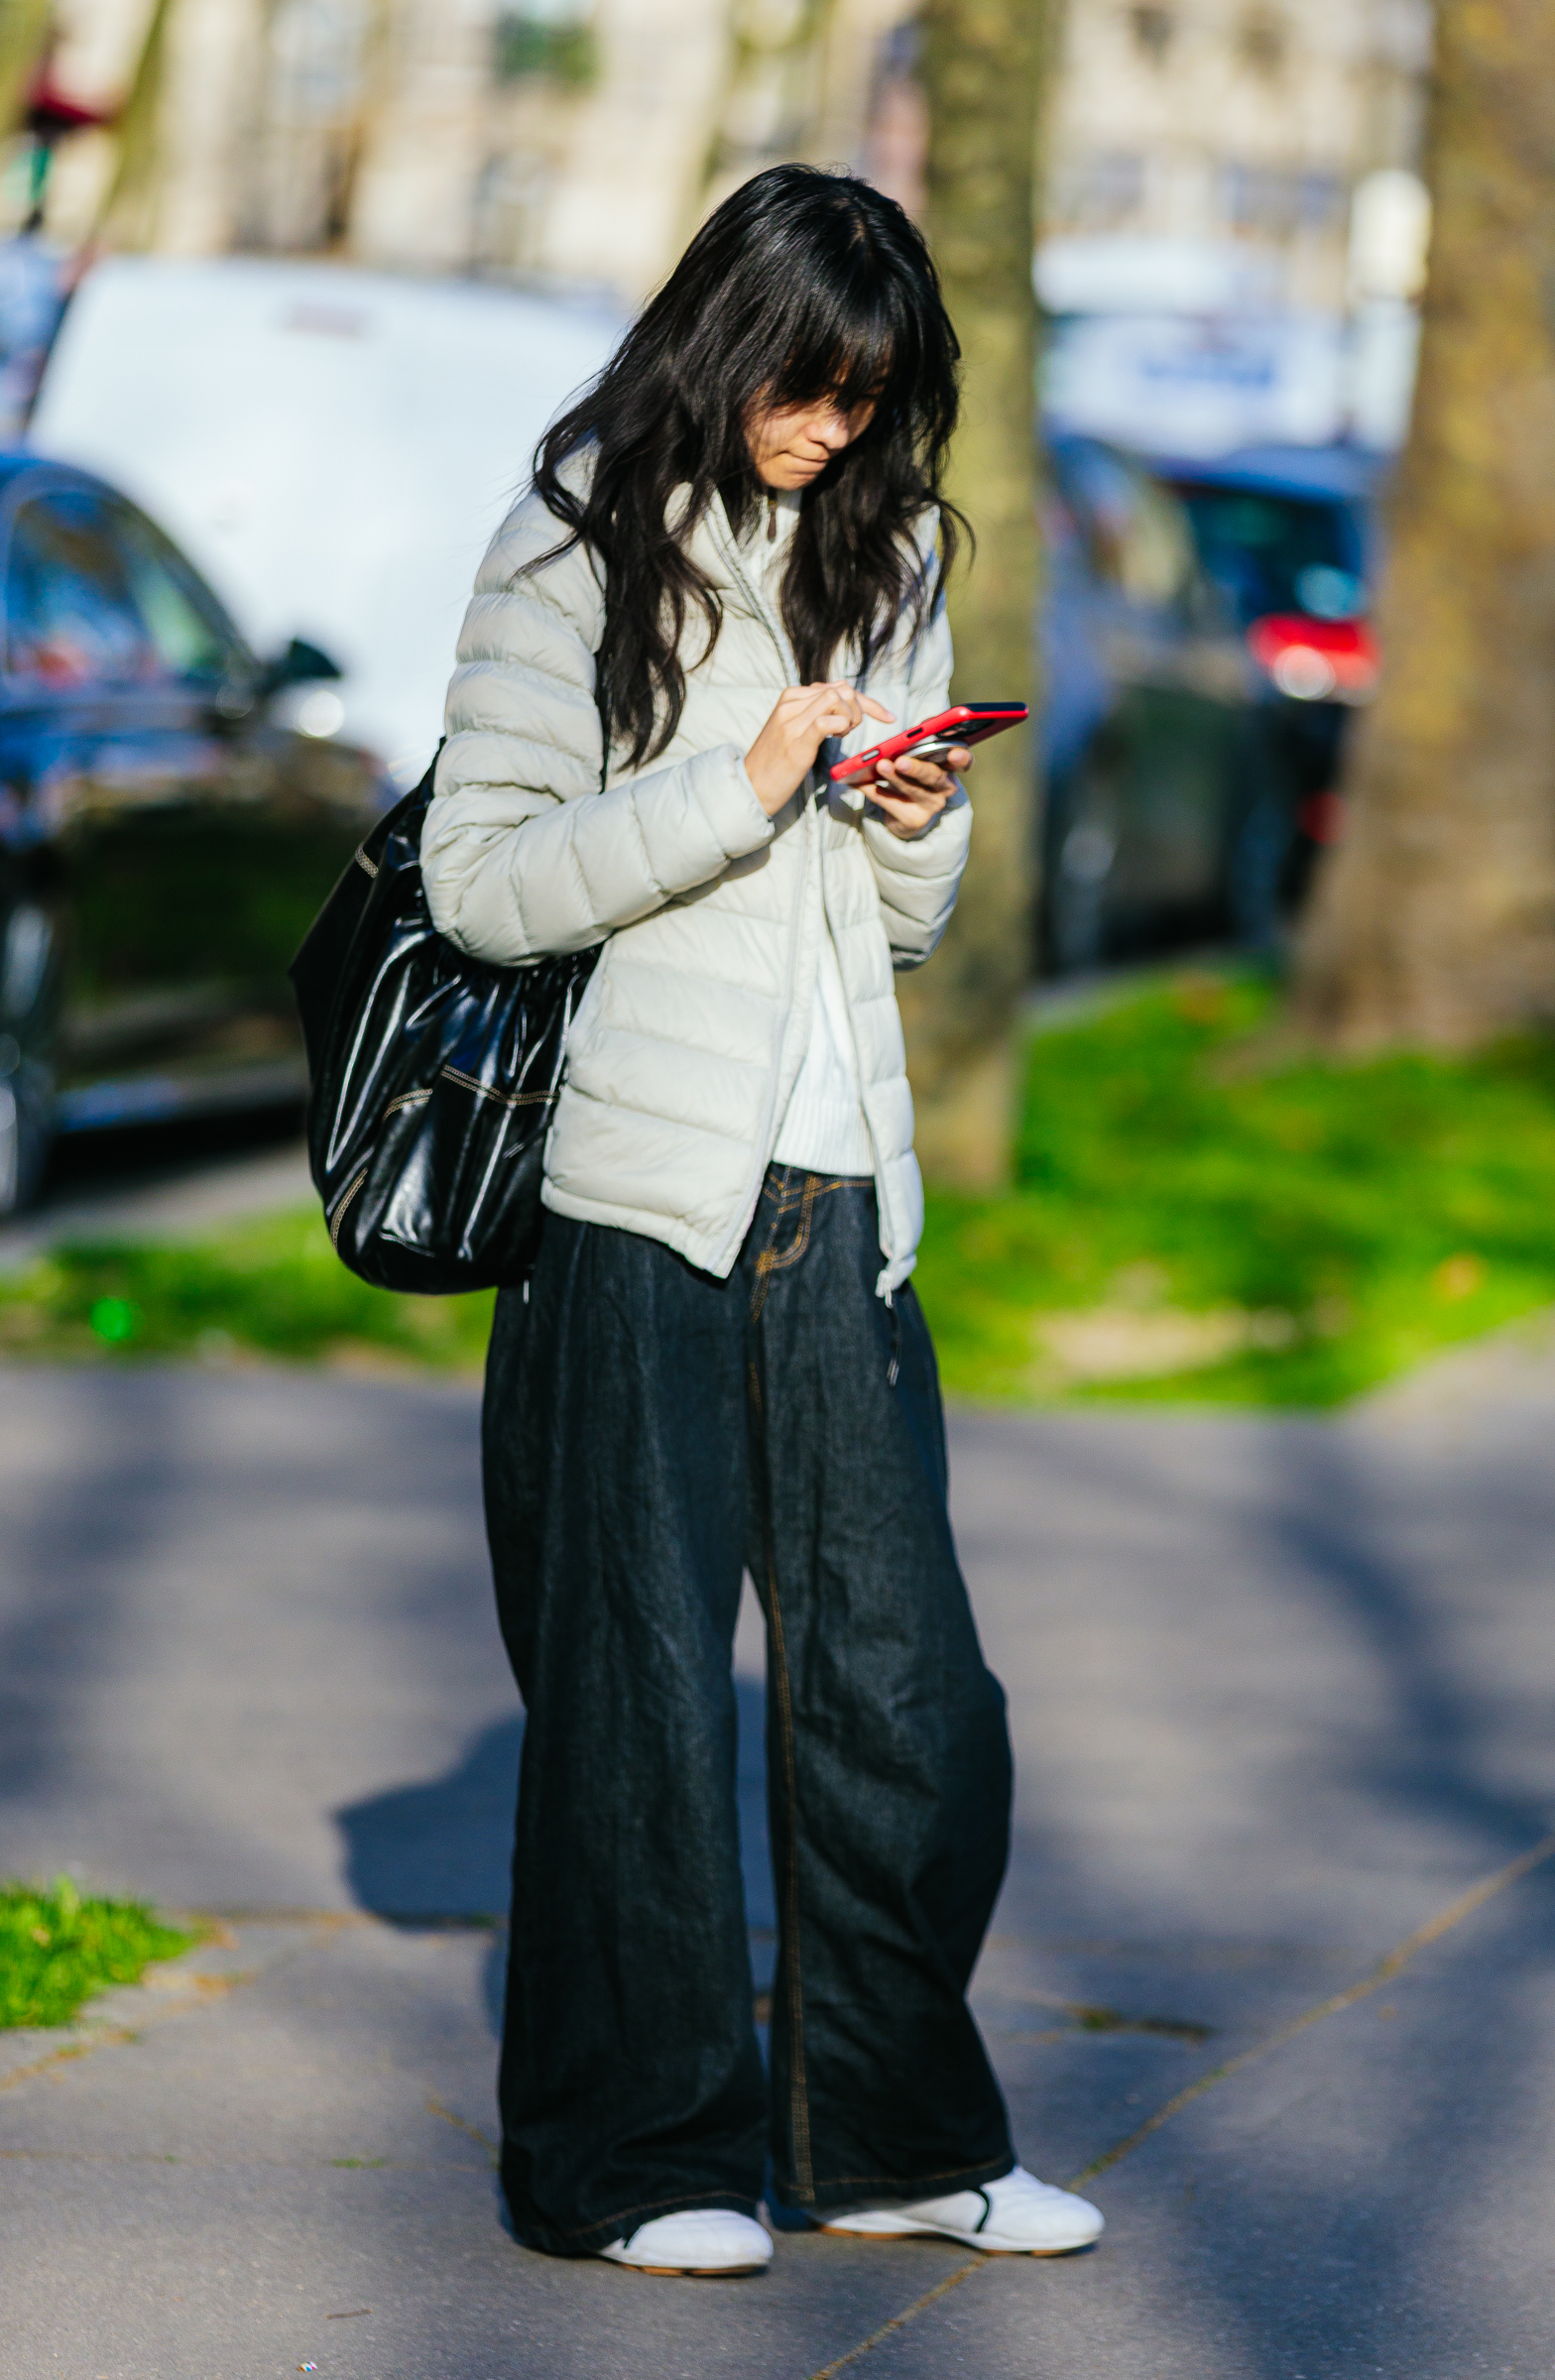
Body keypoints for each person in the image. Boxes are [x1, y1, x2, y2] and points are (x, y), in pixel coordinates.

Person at [421, 163, 1104, 2278]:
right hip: (638, 1196)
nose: (827, 429)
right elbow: (485, 879)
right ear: (725, 342)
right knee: (631, 1692)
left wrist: (914, 815)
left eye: (867, 397)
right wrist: (731, 790)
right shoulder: (574, 545)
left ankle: (890, 2137)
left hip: (839, 1188)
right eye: (804, 387)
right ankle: (633, 2160)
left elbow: (892, 929)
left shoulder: (882, 553)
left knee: (908, 1699)